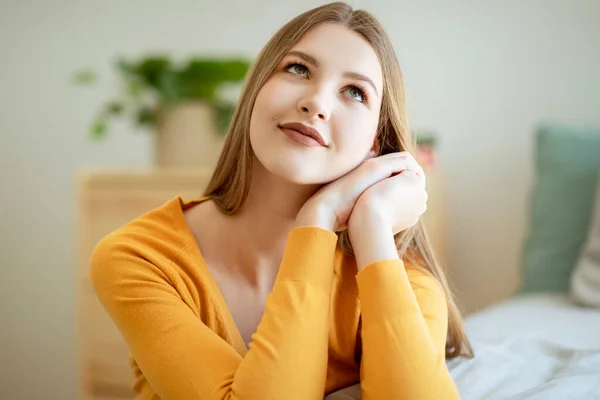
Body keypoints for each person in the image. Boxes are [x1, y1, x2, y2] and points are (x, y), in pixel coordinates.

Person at [90, 2, 475, 399]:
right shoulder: (137, 257)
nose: (317, 104)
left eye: (355, 92)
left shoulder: (400, 281)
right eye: (297, 69)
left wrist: (369, 220)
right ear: (256, 91)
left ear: (375, 145)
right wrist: (319, 219)